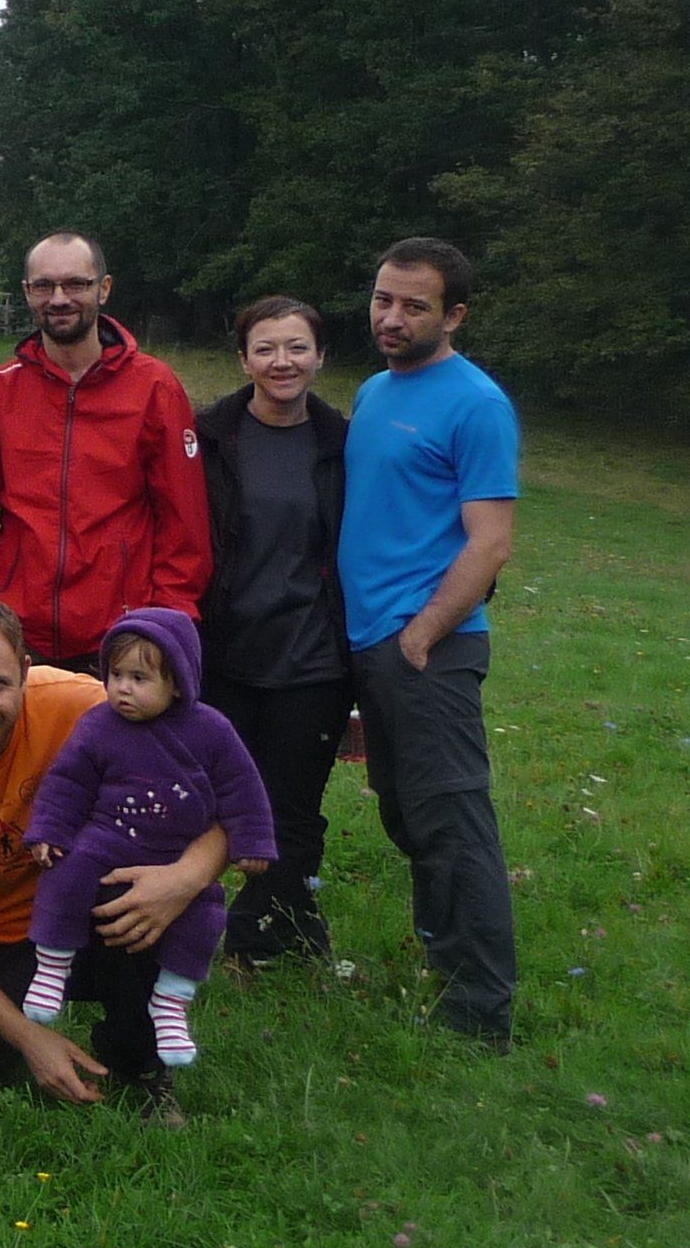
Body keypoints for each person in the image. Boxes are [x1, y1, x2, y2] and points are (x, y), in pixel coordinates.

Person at [0, 598, 229, 1123]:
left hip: (93, 910)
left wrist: (184, 880)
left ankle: (141, 1062)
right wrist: (29, 1038)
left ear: (25, 672)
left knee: (145, 888)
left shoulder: (86, 708)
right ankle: (16, 1029)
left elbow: (231, 803)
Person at [341, 237, 522, 1046]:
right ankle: (445, 963)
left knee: (452, 823)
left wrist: (422, 636)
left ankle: (480, 1014)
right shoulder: (376, 391)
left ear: (454, 316)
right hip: (371, 641)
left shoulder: (476, 404)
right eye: (383, 299)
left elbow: (490, 542)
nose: (392, 317)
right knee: (409, 816)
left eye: (415, 306)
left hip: (429, 646)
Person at [17, 609, 276, 1067]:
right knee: (65, 874)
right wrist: (49, 831)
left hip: (175, 851)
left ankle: (171, 1002)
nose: (122, 688)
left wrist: (253, 841)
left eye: (139, 678)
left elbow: (241, 786)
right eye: (115, 675)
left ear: (178, 682)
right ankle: (53, 965)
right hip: (106, 840)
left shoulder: (211, 730)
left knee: (206, 916)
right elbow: (68, 783)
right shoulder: (98, 726)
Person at [0, 231, 211, 667]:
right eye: (44, 286)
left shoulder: (154, 388)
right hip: (18, 632)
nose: (59, 298)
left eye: (75, 284)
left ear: (104, 288)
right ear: (27, 292)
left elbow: (183, 523)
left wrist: (165, 620)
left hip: (124, 636)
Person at [195, 296, 352, 966]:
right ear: (243, 360)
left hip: (312, 656)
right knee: (219, 798)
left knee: (293, 805)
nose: (281, 362)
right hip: (226, 650)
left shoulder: (343, 444)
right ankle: (191, 923)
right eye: (265, 348)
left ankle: (269, 936)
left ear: (320, 356)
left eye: (296, 347)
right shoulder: (208, 438)